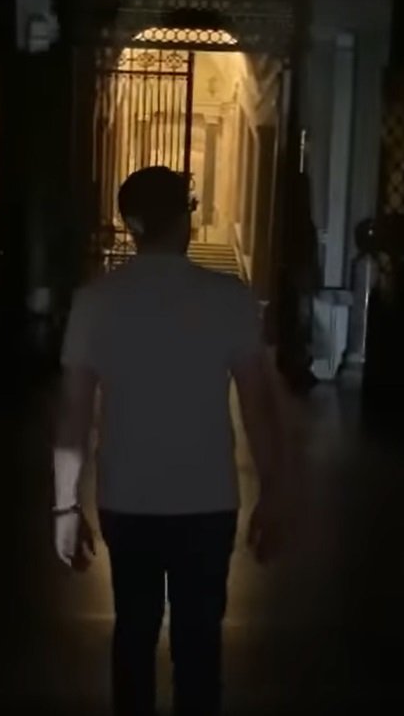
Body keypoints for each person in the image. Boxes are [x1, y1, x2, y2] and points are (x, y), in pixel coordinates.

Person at [53, 166, 289, 716]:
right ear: (186, 217)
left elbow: (74, 414)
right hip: (207, 498)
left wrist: (65, 504)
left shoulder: (95, 301)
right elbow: (257, 408)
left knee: (134, 633)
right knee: (200, 645)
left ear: (130, 224)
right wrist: (274, 492)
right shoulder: (228, 298)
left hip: (127, 497)